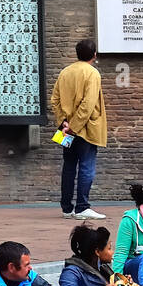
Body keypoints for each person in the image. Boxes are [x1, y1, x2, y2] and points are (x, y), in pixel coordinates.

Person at [48, 38, 107, 220]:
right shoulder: (93, 73)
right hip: (85, 129)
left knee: (69, 166)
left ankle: (67, 208)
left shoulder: (65, 72)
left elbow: (55, 100)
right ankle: (82, 207)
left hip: (65, 130)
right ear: (94, 54)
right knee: (87, 167)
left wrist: (64, 122)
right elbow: (88, 104)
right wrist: (74, 126)